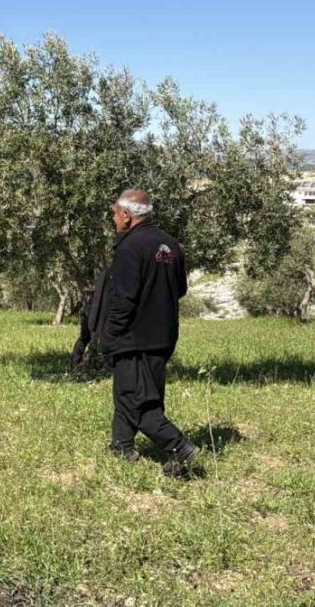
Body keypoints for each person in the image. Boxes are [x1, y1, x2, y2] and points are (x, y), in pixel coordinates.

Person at [97, 189, 199, 477]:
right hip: (163, 335)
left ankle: (178, 447)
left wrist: (109, 336)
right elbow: (180, 289)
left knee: (135, 399)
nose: (114, 220)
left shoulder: (129, 247)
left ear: (127, 216)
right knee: (137, 391)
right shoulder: (170, 244)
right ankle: (121, 445)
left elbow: (123, 299)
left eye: (115, 214)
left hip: (133, 338)